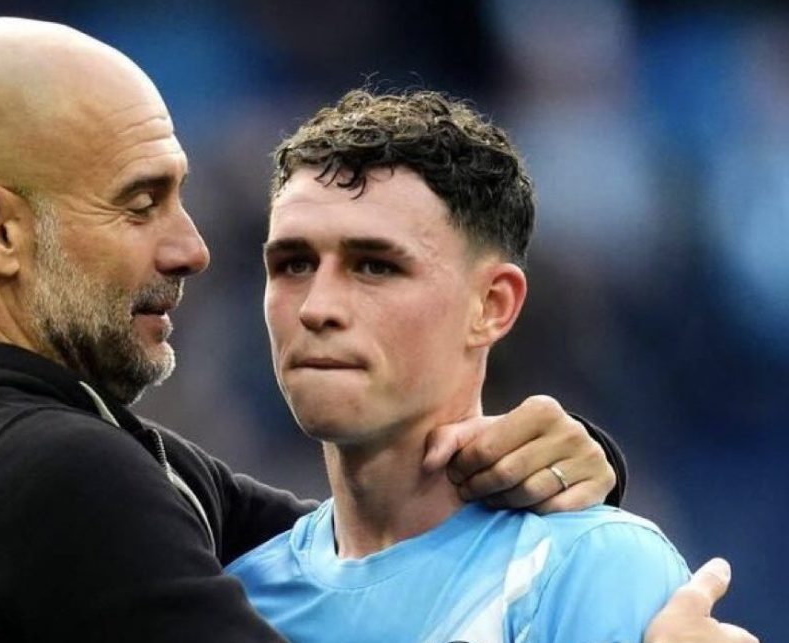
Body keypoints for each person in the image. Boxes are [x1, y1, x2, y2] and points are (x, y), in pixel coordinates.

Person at [0, 17, 748, 643]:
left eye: (373, 263)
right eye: (139, 204)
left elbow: (361, 554)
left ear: (493, 304)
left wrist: (564, 473)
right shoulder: (48, 474)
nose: (193, 249)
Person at [226, 89, 757, 642]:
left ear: (492, 306)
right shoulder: (235, 595)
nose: (317, 308)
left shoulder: (586, 567)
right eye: (293, 264)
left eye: (375, 267)